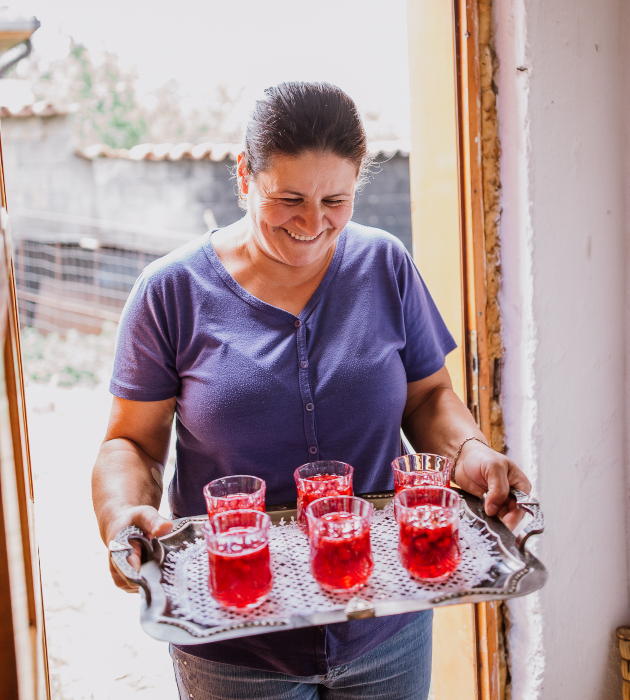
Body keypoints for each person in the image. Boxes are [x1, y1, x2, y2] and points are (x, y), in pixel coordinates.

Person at [92, 82, 531, 700]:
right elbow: (129, 444)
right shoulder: (169, 292)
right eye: (289, 198)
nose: (313, 223)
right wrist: (121, 516)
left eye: (337, 200)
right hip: (235, 643)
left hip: (385, 625)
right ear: (245, 175)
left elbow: (429, 397)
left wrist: (470, 451)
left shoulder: (385, 265)